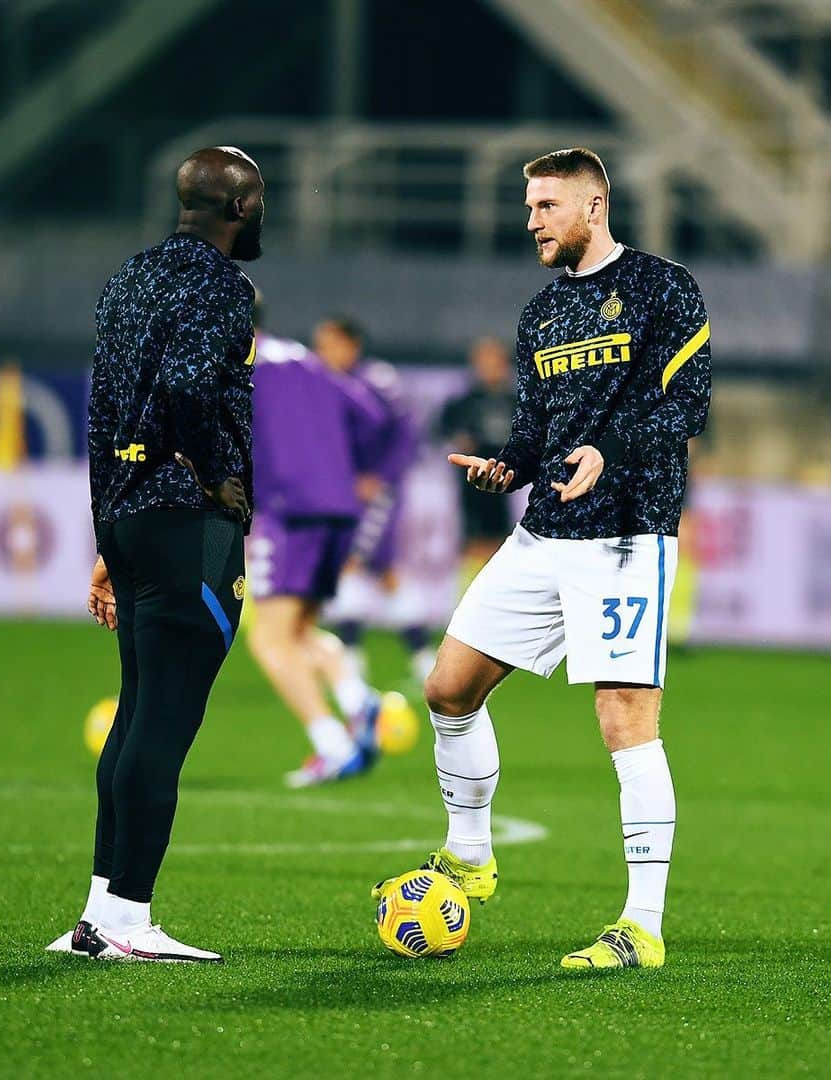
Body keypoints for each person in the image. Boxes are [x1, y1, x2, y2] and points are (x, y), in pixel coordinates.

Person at [372, 147, 711, 971]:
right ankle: (472, 854)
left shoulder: (665, 289)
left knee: (624, 723)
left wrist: (613, 449)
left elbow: (688, 403)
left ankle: (641, 925)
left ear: (593, 208)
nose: (531, 221)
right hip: (543, 534)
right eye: (529, 207)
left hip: (627, 539)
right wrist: (507, 466)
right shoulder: (541, 317)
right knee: (448, 687)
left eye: (546, 206)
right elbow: (533, 432)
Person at [47, 146, 264, 964]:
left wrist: (109, 529)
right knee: (164, 723)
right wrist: (219, 481)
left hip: (130, 516)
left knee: (136, 712)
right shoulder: (221, 286)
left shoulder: (128, 278)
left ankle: (98, 914)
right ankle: (130, 918)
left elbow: (104, 409)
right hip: (186, 528)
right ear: (242, 206)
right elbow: (185, 385)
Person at [246, 325, 391, 787]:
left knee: (268, 638)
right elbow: (374, 416)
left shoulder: (240, 363)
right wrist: (358, 471)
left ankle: (334, 745)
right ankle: (357, 700)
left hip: (290, 512)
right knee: (299, 630)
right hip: (338, 509)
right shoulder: (308, 360)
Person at [312, 317, 434, 683]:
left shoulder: (377, 381)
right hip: (341, 493)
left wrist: (380, 475)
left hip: (375, 494)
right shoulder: (325, 381)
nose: (322, 352)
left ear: (351, 344)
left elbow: (406, 433)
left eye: (328, 343)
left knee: (356, 563)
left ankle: (353, 662)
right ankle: (420, 659)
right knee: (379, 570)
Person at [438, 337, 517, 576]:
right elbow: (441, 434)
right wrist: (458, 441)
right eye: (483, 361)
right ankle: (468, 593)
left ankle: (501, 590)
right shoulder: (463, 403)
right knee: (473, 542)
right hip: (472, 484)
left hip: (509, 484)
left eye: (494, 361)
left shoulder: (515, 402)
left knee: (502, 541)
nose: (489, 367)